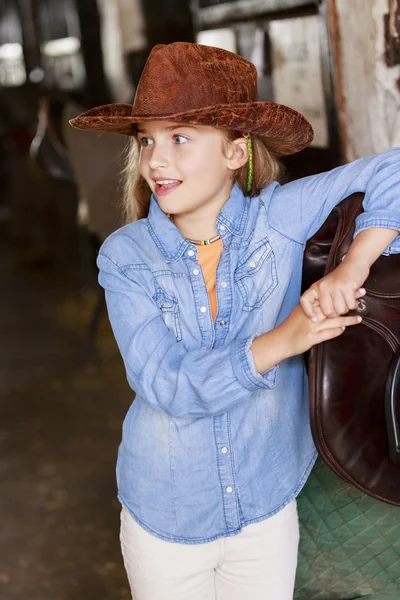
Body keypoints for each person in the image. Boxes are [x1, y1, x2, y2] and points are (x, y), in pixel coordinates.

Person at [69, 42, 400, 600]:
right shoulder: (125, 256)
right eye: (147, 140)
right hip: (168, 516)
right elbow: (165, 383)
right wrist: (283, 339)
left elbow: (395, 169)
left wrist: (352, 267)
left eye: (179, 138)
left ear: (235, 153)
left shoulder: (281, 217)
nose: (156, 160)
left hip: (267, 505)